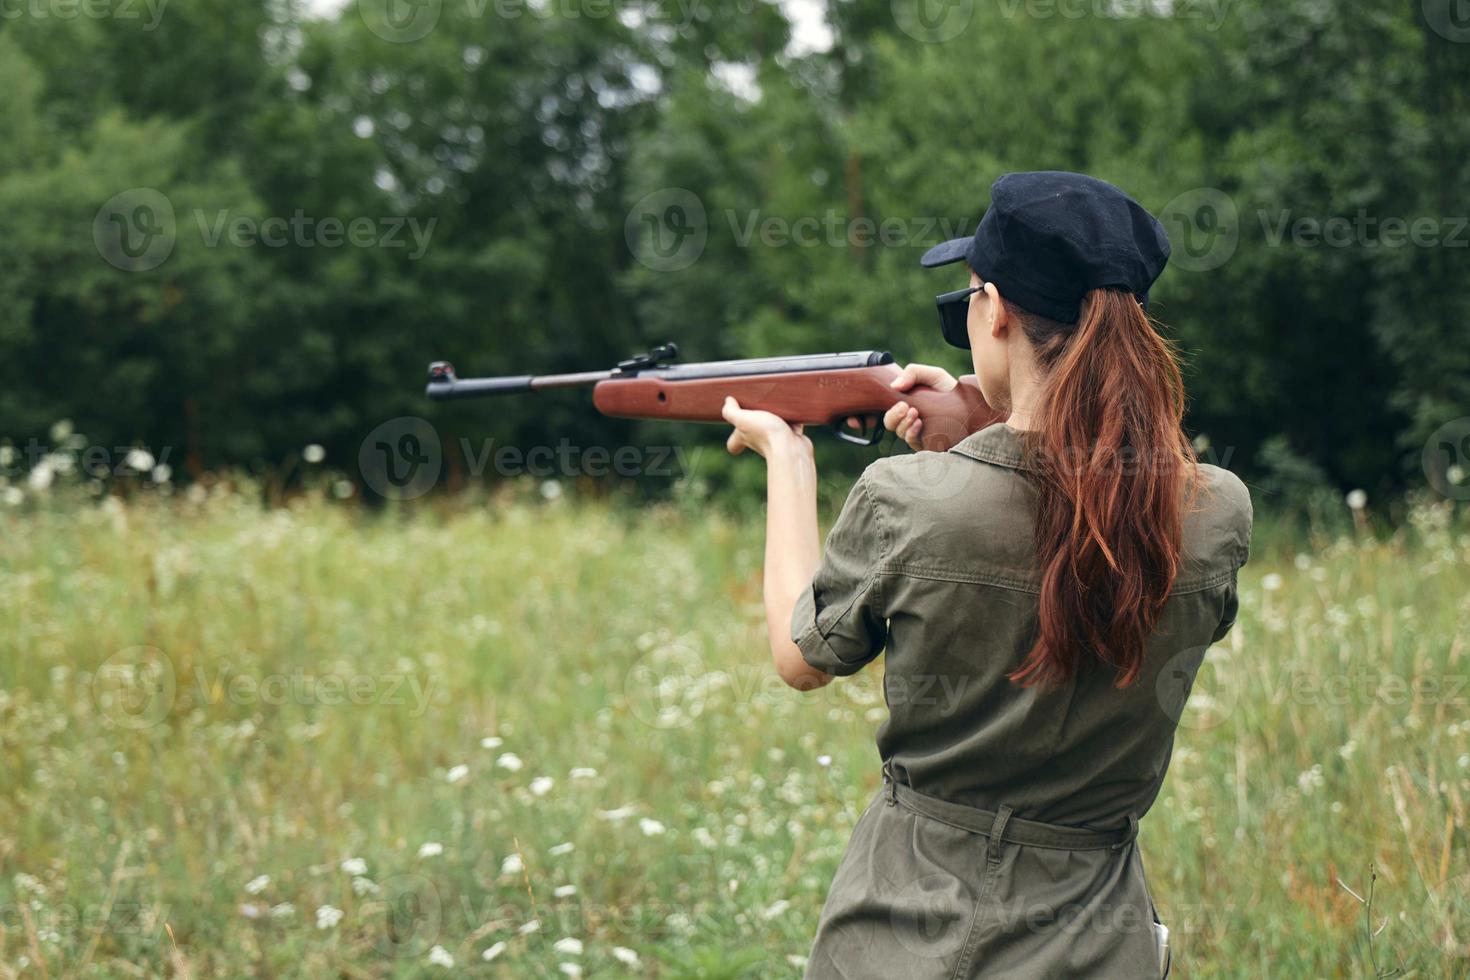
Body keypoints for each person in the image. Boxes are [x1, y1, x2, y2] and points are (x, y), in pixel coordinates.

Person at [720, 171, 1251, 978]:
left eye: (966, 297)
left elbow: (802, 659)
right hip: (1099, 938)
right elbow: (1079, 499)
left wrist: (786, 461)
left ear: (994, 309)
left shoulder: (911, 499)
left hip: (907, 926)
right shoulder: (1216, 511)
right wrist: (988, 424)